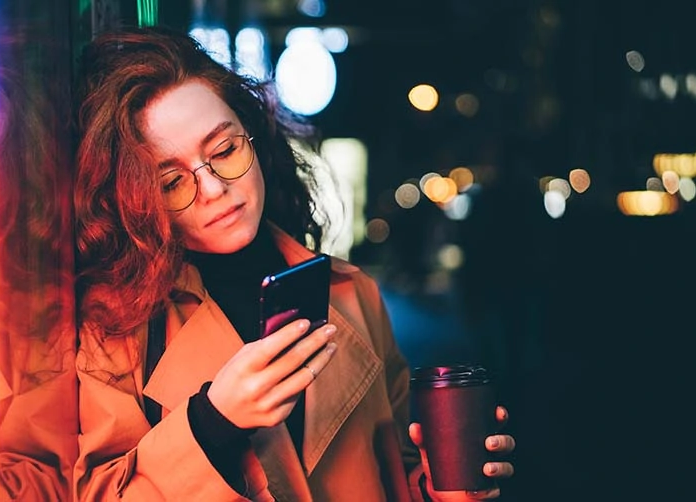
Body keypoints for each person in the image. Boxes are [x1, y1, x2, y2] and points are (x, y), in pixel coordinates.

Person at [63, 25, 516, 502]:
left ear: (252, 137)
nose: (215, 188)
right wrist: (214, 420)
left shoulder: (350, 292)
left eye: (224, 150)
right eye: (172, 182)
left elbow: (397, 470)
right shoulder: (117, 329)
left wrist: (440, 492)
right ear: (138, 201)